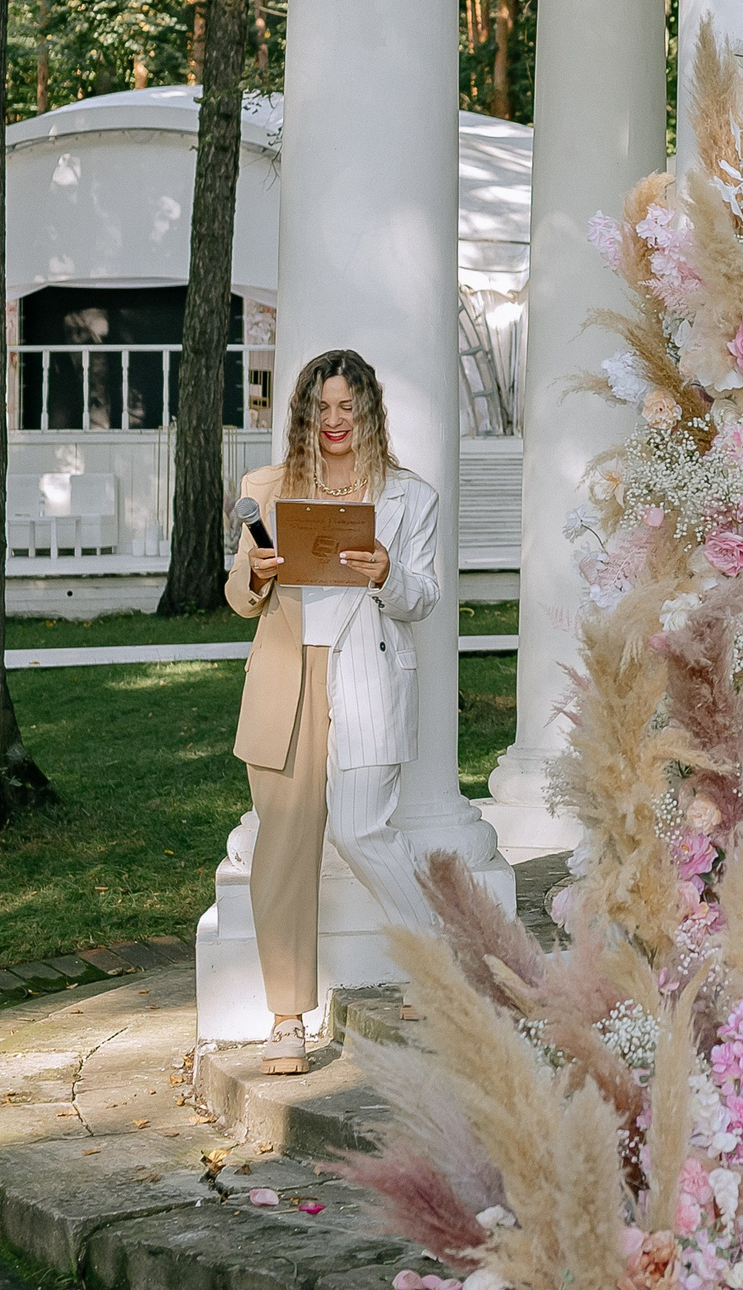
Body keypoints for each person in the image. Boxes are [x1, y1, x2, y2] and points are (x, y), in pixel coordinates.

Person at [227, 348, 445, 1073]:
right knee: (283, 844)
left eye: (347, 406)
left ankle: (435, 963)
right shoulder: (267, 487)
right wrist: (254, 575)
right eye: (321, 407)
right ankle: (286, 1018)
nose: (334, 420)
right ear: (303, 412)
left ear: (370, 410)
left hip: (365, 672)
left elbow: (422, 598)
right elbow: (237, 597)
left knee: (360, 827)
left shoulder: (411, 496)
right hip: (289, 677)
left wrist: (389, 574)